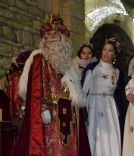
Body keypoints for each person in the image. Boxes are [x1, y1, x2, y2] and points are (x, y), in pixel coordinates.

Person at [10, 14, 90, 156]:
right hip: (50, 112)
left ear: (62, 38)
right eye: (49, 34)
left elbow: (75, 91)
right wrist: (42, 108)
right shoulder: (38, 59)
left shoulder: (69, 65)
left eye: (56, 33)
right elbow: (35, 88)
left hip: (69, 114)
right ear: (44, 38)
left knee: (69, 148)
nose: (52, 36)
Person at [81, 37, 125, 156]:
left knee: (110, 136)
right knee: (93, 135)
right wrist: (83, 108)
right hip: (93, 106)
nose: (106, 53)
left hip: (110, 109)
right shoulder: (92, 68)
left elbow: (119, 95)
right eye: (104, 49)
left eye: (110, 50)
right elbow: (84, 89)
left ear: (114, 54)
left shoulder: (118, 72)